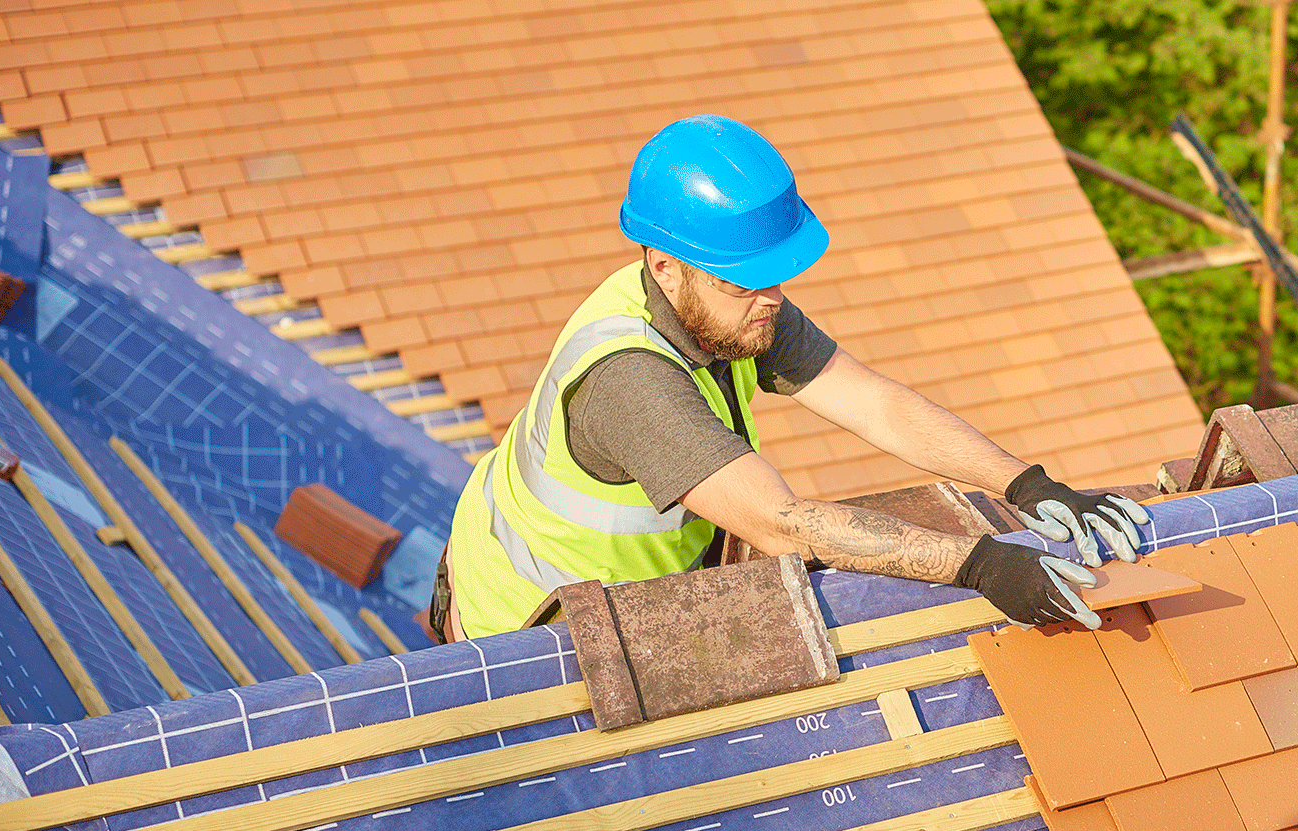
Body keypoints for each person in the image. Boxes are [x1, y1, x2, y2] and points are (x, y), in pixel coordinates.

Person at [438, 114, 1149, 641]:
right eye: (744, 282)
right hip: (527, 621)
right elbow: (779, 524)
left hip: (623, 581)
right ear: (665, 267)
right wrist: (981, 565)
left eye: (774, 277)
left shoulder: (731, 304)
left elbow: (874, 405)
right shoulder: (628, 381)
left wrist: (1026, 484)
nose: (771, 299)